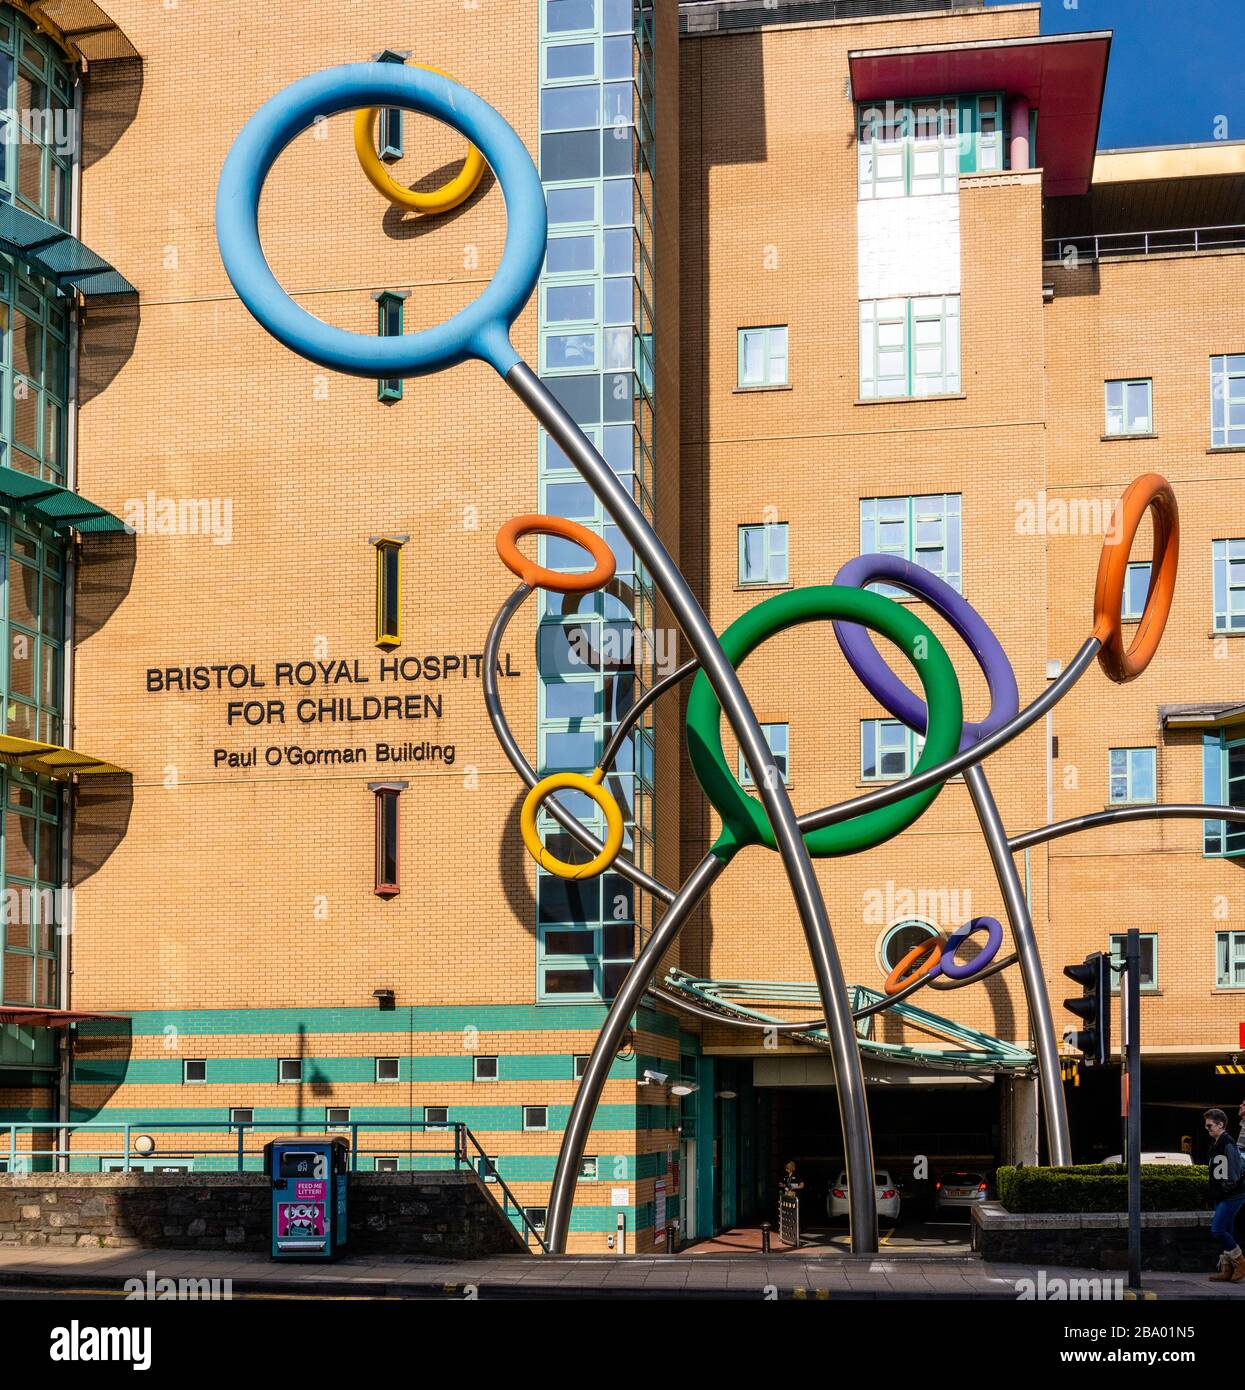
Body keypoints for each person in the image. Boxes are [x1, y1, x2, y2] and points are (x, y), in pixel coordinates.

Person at [1204, 1109, 1245, 1281]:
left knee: (1218, 1229)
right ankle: (1227, 1269)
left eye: (1210, 1125)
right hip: (1222, 1195)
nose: (1207, 1129)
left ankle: (1241, 1261)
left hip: (1231, 1196)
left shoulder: (1227, 1142)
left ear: (1220, 1124)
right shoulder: (1217, 1142)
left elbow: (1235, 1171)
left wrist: (1226, 1188)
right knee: (1227, 1229)